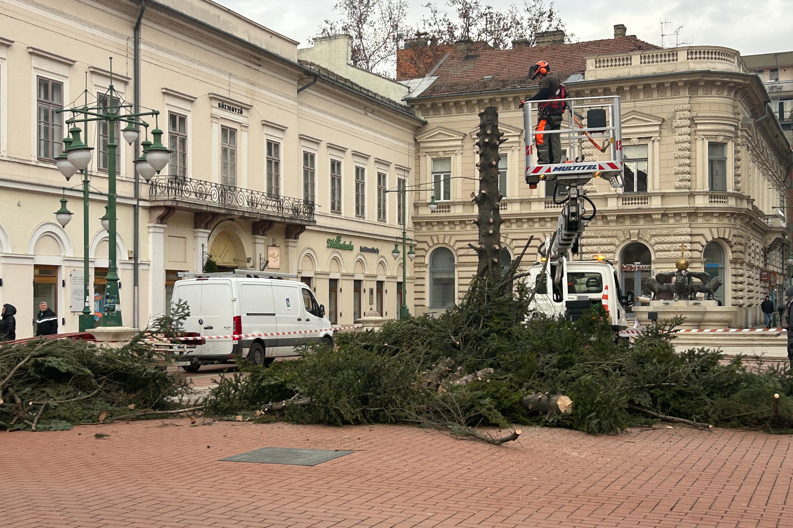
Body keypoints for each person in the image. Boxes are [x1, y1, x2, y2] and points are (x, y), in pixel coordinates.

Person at [523, 61, 565, 166]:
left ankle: (544, 161)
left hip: (547, 114)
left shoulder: (547, 79)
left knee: (540, 137)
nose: (539, 77)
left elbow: (543, 93)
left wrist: (529, 100)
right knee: (554, 139)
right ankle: (555, 161)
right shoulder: (556, 79)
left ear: (542, 70)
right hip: (556, 114)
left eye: (539, 75)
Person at [785, 287, 793, 364]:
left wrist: (791, 328)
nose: (786, 295)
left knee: (791, 349)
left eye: (787, 294)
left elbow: (792, 317)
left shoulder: (792, 303)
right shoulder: (790, 302)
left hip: (792, 330)